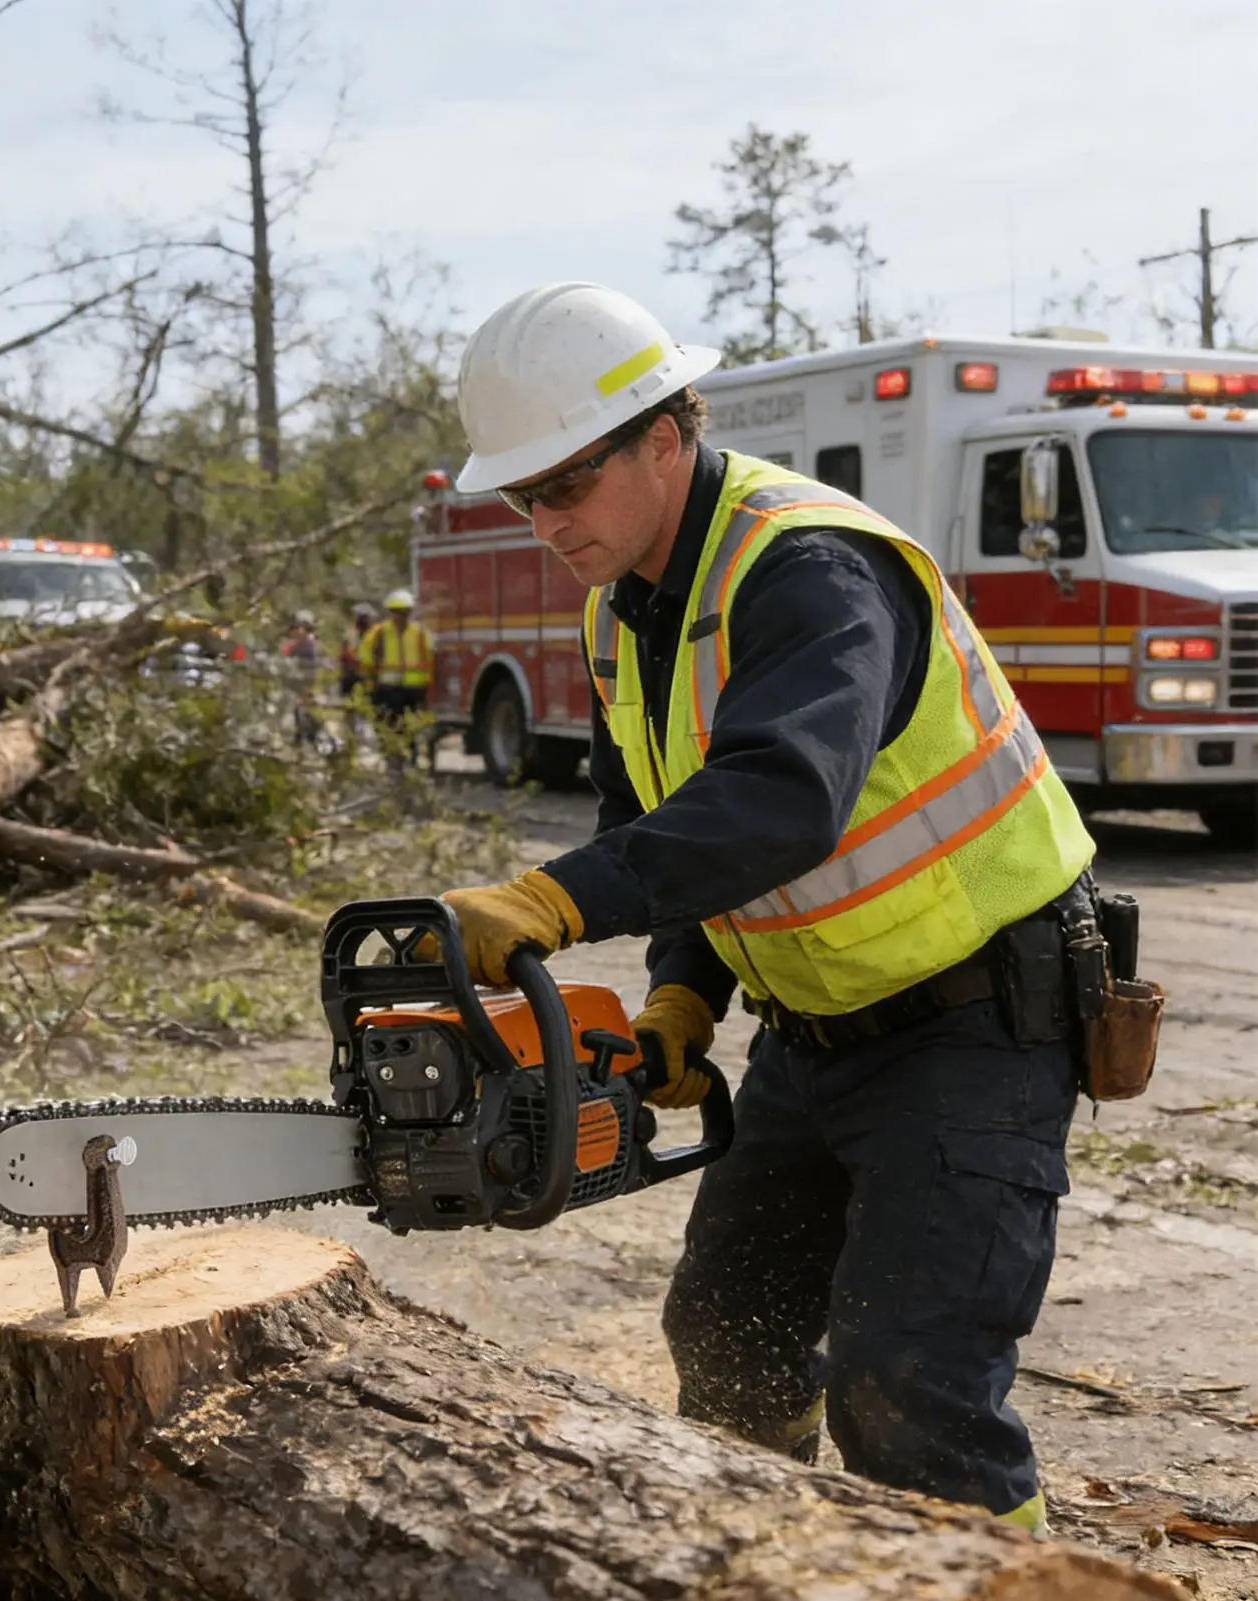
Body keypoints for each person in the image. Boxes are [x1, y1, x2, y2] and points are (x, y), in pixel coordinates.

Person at [428, 281, 1099, 1534]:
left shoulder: (807, 568)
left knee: (908, 1381)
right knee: (726, 1329)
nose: (545, 520)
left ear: (661, 438)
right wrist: (681, 995)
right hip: (816, 1028)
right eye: (522, 496)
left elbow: (780, 800)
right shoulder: (623, 609)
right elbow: (664, 825)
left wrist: (552, 900)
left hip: (975, 1021)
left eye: (565, 483)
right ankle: (778, 1555)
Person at [361, 588, 435, 770]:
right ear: (390, 612)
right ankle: (394, 761)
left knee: (412, 728)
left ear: (410, 612)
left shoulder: (420, 633)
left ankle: (411, 759)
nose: (400, 616)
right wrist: (371, 676)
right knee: (390, 726)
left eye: (404, 611)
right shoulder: (379, 633)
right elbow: (364, 654)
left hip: (415, 689)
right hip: (388, 687)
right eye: (396, 611)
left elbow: (431, 657)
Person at [279, 609, 323, 748]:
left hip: (304, 682)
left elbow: (309, 666)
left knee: (303, 710)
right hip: (296, 682)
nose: (294, 631)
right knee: (297, 710)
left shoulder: (308, 643)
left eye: (297, 627)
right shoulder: (299, 642)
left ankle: (309, 738)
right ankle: (301, 739)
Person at [339, 601, 377, 700]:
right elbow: (345, 654)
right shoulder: (350, 634)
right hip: (352, 672)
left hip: (369, 672)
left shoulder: (375, 633)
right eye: (360, 617)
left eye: (364, 617)